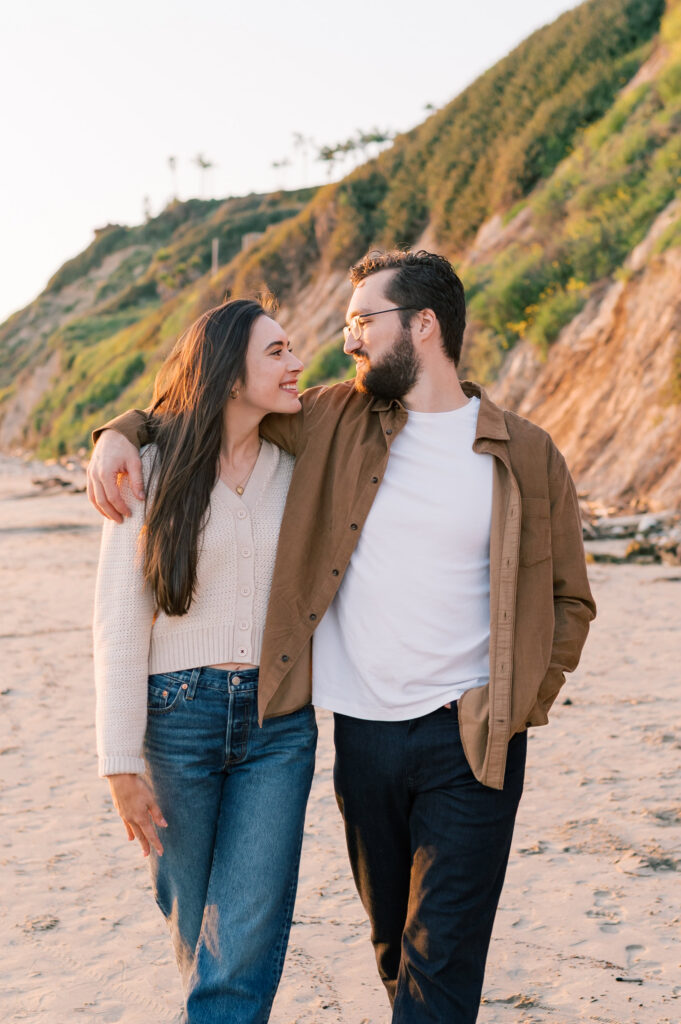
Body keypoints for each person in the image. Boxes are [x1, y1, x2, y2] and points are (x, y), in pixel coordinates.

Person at [89, 250, 596, 1023]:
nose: (346, 339)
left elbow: (569, 596)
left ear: (423, 326)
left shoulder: (524, 451)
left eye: (363, 321)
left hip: (472, 735)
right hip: (362, 736)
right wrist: (118, 432)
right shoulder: (335, 420)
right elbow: (205, 408)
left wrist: (521, 697)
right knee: (392, 947)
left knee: (442, 958)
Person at [93, 298, 317, 1024]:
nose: (296, 364)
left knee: (243, 938)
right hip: (175, 724)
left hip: (277, 725)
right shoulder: (150, 469)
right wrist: (119, 764)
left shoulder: (299, 461)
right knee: (197, 932)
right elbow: (119, 623)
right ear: (227, 375)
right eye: (277, 352)